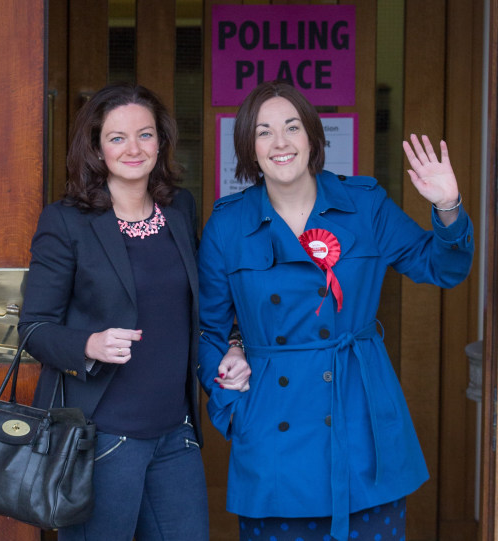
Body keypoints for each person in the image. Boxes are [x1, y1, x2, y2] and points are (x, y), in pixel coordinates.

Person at [197, 80, 474, 541]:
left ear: (313, 136)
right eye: (264, 132)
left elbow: (442, 268)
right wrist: (231, 400)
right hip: (271, 430)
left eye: (292, 127)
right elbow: (208, 332)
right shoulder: (227, 226)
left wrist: (448, 205)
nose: (280, 142)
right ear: (249, 147)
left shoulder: (364, 205)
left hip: (359, 418)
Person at [18, 82, 209, 541]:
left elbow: (200, 303)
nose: (133, 148)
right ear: (97, 147)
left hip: (175, 433)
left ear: (161, 141)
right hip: (101, 439)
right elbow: (31, 328)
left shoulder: (179, 208)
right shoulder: (66, 221)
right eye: (117, 137)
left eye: (145, 134)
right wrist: (88, 344)